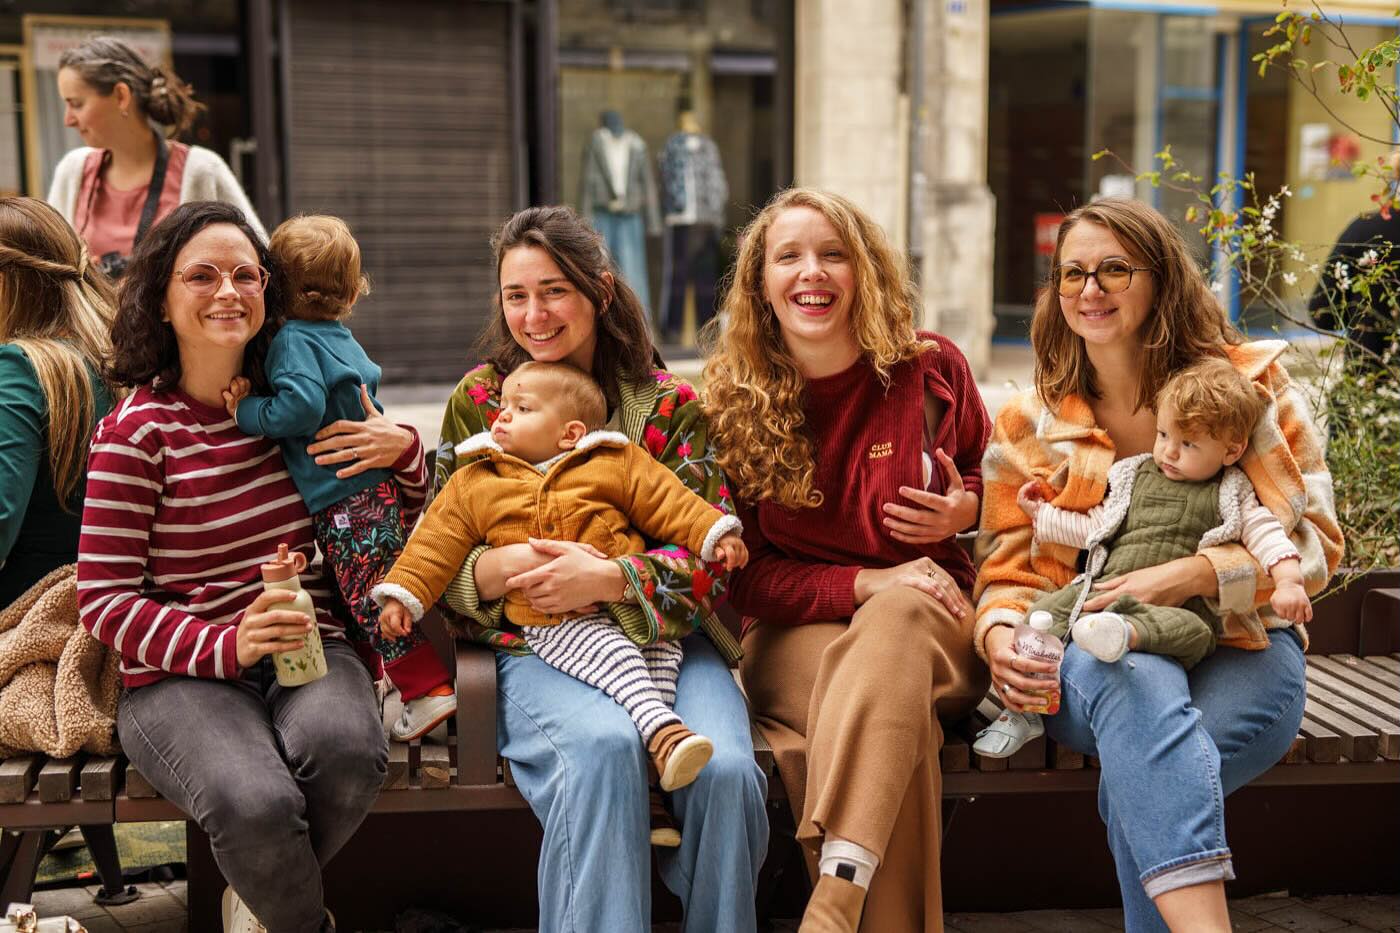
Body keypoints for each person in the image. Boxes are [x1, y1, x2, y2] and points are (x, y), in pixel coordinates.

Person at [974, 197, 1343, 933]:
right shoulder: (1028, 422)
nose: (1090, 289)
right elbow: (1007, 566)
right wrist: (999, 640)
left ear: (1162, 279)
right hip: (1097, 652)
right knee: (1135, 683)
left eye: (1115, 268)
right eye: (1073, 271)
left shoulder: (1253, 389)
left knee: (1144, 781)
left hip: (1247, 644)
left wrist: (1197, 574)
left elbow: (1318, 547)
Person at [76, 200, 425, 933]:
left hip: (313, 641)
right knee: (254, 801)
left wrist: (407, 453)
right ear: (162, 300)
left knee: (350, 752)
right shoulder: (137, 433)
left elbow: (391, 508)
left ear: (270, 289)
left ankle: (261, 896)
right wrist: (227, 643)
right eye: (201, 276)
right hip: (181, 672)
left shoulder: (292, 407)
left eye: (245, 273)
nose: (228, 290)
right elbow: (103, 601)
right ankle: (297, 918)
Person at [432, 205, 767, 931]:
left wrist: (614, 579)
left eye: (554, 290)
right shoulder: (480, 403)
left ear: (601, 292)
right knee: (604, 749)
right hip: (539, 642)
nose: (534, 313)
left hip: (672, 643)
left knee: (730, 771)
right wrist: (500, 568)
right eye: (516, 295)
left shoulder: (670, 406)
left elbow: (710, 558)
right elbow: (439, 549)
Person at [706, 187, 992, 932]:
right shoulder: (732, 403)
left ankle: (833, 904)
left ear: (864, 269)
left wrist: (970, 511)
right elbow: (749, 575)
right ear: (760, 283)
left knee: (896, 621)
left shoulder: (930, 371)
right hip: (795, 634)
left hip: (932, 626)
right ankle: (843, 895)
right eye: (790, 256)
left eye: (834, 253)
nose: (814, 272)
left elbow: (1003, 486)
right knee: (897, 732)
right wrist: (868, 579)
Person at [376, 359, 747, 799]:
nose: (503, 416)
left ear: (570, 433)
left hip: (631, 615)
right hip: (555, 621)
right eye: (502, 407)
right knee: (614, 659)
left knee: (662, 658)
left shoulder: (612, 461)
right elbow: (434, 543)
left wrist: (714, 533)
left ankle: (659, 781)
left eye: (523, 409)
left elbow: (670, 502)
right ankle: (665, 734)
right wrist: (404, 595)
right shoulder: (477, 481)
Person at [974, 357, 1312, 759]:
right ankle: (1023, 710)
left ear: (1231, 450)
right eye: (1164, 434)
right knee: (1043, 615)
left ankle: (1123, 636)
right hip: (1099, 590)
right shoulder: (1134, 474)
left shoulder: (1232, 492)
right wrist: (1042, 517)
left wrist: (1289, 581)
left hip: (1181, 608)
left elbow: (1269, 537)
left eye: (1188, 444)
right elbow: (1096, 528)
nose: (1169, 452)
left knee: (1190, 632)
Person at [223, 214, 455, 741]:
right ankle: (387, 682)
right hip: (374, 493)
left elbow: (301, 405)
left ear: (272, 284)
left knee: (374, 600)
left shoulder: (291, 342)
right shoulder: (339, 336)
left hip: (345, 502)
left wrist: (248, 412)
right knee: (364, 594)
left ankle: (428, 692)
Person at [48, 36, 264, 278]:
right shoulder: (72, 171)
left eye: (76, 104)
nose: (68, 120)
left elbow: (259, 259)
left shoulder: (201, 170)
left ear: (121, 96)